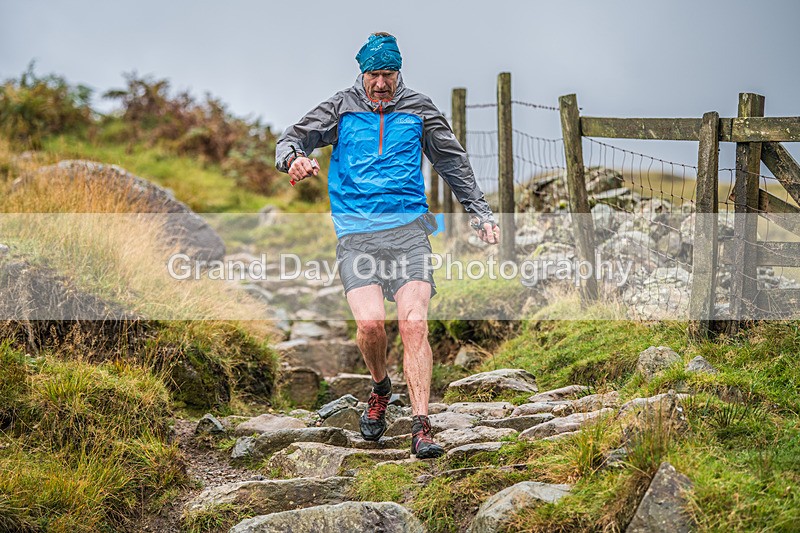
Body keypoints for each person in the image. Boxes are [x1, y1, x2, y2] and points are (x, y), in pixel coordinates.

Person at [275, 32, 499, 458]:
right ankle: (380, 386)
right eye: (374, 74)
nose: (381, 83)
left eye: (389, 74)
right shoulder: (340, 108)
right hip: (356, 234)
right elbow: (291, 137)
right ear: (362, 74)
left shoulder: (419, 109)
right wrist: (295, 159)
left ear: (399, 73)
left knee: (413, 323)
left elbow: (452, 162)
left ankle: (421, 425)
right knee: (371, 326)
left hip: (409, 231)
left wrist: (480, 212)